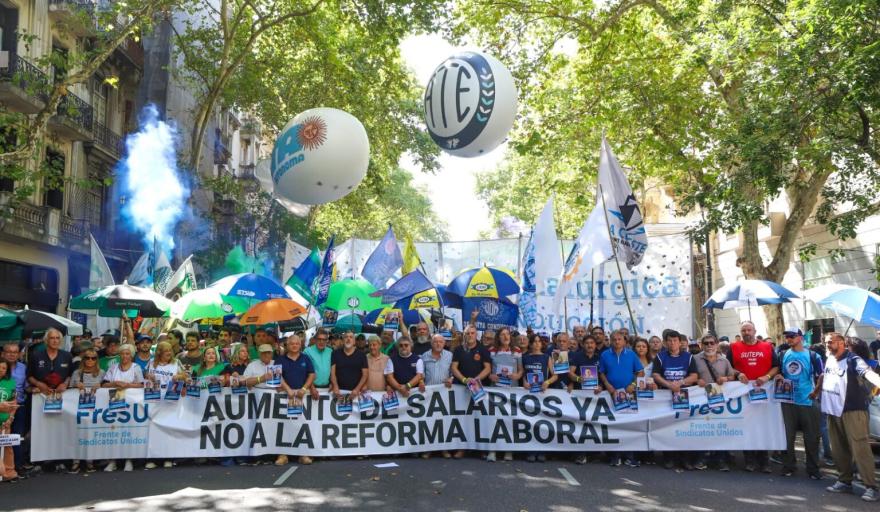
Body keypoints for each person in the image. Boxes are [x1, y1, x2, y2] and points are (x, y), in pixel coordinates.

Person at [822, 332, 880, 501]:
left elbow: (866, 372)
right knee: (838, 448)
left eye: (830, 342)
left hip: (853, 411)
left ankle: (871, 487)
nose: (827, 345)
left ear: (841, 343)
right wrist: (817, 390)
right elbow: (825, 377)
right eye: (826, 342)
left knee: (860, 449)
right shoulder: (830, 359)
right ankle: (844, 481)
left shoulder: (853, 359)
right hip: (833, 410)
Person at [727, 320, 779, 473]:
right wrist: (738, 373)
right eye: (743, 330)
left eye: (749, 330)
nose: (746, 333)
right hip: (742, 392)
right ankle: (749, 459)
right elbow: (728, 367)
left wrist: (767, 377)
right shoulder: (733, 347)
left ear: (755, 330)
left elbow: (776, 366)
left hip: (764, 392)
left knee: (762, 425)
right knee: (746, 425)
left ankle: (764, 460)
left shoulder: (767, 347)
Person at [775, 328, 823, 480]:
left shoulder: (813, 355)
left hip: (808, 400)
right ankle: (788, 466)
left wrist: (816, 392)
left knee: (812, 437)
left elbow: (822, 376)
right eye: (787, 336)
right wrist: (778, 376)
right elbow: (780, 373)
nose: (788, 339)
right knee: (787, 437)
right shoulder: (782, 354)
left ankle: (813, 469)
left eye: (792, 336)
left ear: (800, 337)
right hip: (788, 401)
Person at [652, 330, 699, 470]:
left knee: (684, 428)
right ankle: (669, 457)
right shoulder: (660, 357)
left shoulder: (689, 357)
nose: (672, 343)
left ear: (680, 342)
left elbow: (694, 376)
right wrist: (669, 385)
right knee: (667, 427)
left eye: (675, 340)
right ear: (666, 343)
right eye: (670, 341)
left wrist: (680, 383)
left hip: (684, 396)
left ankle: (685, 458)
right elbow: (655, 374)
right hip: (665, 396)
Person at [693, 335, 738, 471]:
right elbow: (689, 375)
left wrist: (725, 378)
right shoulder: (695, 360)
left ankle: (721, 461)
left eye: (712, 343)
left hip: (719, 400)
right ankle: (702, 459)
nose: (709, 345)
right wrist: (696, 381)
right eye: (705, 343)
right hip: (701, 402)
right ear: (701, 345)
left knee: (719, 429)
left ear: (717, 344)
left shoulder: (724, 361)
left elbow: (732, 376)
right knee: (703, 430)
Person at [599, 329, 643, 467]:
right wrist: (607, 385)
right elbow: (602, 373)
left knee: (629, 425)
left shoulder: (631, 354)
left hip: (629, 395)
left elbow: (640, 372)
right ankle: (615, 456)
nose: (617, 342)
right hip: (612, 395)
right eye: (614, 339)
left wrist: (634, 384)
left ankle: (629, 456)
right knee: (614, 425)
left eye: (619, 339)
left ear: (624, 341)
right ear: (611, 341)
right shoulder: (605, 354)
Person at [451, 324, 492, 459]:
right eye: (467, 333)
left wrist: (475, 380)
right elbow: (454, 368)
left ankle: (481, 448)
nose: (470, 336)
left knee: (480, 419)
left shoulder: (483, 349)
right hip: (461, 389)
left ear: (476, 335)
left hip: (478, 388)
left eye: (472, 333)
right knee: (463, 419)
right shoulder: (458, 350)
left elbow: (487, 368)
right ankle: (462, 448)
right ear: (464, 335)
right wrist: (464, 380)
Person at [275, 335, 316, 466]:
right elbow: (277, 375)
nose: (294, 345)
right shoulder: (280, 360)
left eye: (297, 343)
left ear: (300, 344)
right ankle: (283, 455)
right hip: (285, 396)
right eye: (291, 343)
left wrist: (304, 388)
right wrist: (287, 389)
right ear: (287, 345)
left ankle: (303, 454)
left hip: (301, 397)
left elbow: (312, 374)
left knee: (302, 426)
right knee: (284, 426)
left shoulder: (305, 358)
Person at [102, 344, 144, 472]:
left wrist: (128, 385)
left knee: (128, 432)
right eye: (122, 354)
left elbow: (142, 384)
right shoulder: (113, 368)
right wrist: (114, 383)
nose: (125, 356)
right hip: (114, 401)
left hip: (132, 405)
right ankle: (113, 461)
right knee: (114, 431)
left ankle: (128, 460)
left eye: (127, 354)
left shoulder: (136, 368)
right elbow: (103, 384)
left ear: (131, 356)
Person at [144, 341, 185, 470]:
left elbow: (185, 375)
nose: (169, 352)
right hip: (155, 400)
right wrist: (148, 375)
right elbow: (144, 374)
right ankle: (153, 458)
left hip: (170, 400)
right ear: (159, 352)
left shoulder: (176, 362)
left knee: (168, 427)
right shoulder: (151, 363)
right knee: (154, 428)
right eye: (166, 350)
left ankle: (168, 458)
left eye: (170, 350)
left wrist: (178, 376)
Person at [486, 327, 522, 462]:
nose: (505, 337)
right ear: (498, 337)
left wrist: (516, 375)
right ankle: (492, 450)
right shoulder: (491, 351)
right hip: (496, 390)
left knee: (510, 420)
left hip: (512, 390)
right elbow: (487, 369)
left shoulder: (517, 351)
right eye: (502, 334)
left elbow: (520, 370)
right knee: (494, 420)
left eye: (507, 334)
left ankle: (509, 450)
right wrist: (491, 376)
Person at [522, 333, 557, 462]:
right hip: (530, 394)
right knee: (530, 422)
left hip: (543, 394)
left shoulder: (546, 357)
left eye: (539, 341)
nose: (537, 344)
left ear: (542, 344)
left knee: (543, 423)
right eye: (534, 341)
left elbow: (555, 375)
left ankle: (542, 451)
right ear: (530, 344)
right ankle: (531, 451)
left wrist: (547, 382)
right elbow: (523, 374)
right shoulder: (525, 357)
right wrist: (524, 381)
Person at [69, 348, 105, 472]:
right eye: (87, 357)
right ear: (83, 359)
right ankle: (76, 460)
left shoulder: (102, 373)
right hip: (79, 409)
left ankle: (90, 460)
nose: (90, 360)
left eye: (93, 358)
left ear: (97, 360)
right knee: (78, 434)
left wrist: (101, 386)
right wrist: (75, 386)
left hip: (96, 410)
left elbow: (107, 386)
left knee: (92, 434)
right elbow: (68, 392)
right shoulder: (76, 373)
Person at [2, 343, 26, 473]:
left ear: (18, 354)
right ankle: (3, 467)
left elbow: (26, 386)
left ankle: (16, 465)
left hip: (19, 406)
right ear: (3, 354)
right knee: (4, 436)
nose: (12, 354)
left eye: (15, 352)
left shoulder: (23, 367)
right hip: (3, 407)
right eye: (9, 352)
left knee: (17, 436)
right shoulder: (0, 368)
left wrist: (34, 388)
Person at [330, 332, 368, 399]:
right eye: (346, 337)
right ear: (343, 340)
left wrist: (357, 389)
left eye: (351, 337)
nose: (348, 339)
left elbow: (365, 375)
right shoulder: (335, 353)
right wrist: (335, 386)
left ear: (354, 342)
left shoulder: (362, 355)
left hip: (356, 393)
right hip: (339, 392)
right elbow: (332, 373)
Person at [0, 360, 18, 481]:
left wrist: (10, 418)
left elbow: (14, 403)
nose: (1, 370)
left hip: (5, 422)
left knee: (7, 446)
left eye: (4, 368)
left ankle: (9, 472)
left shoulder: (11, 383)